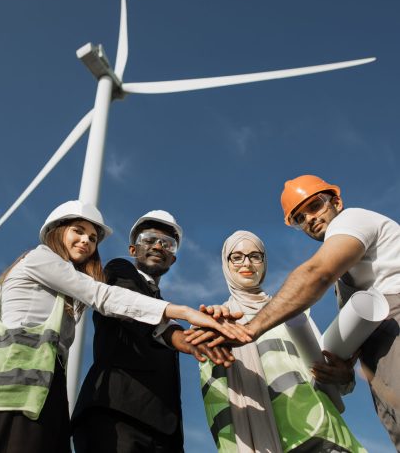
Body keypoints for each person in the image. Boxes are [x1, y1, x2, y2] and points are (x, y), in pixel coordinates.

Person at [0, 200, 249, 453]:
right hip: (7, 394)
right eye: (78, 231)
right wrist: (184, 313)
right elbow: (106, 296)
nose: (86, 240)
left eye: (93, 237)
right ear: (57, 230)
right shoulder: (39, 259)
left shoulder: (68, 292)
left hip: (45, 396)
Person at [191, 174, 400, 449]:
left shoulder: (352, 220)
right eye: (300, 217)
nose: (310, 219)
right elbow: (338, 360)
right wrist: (344, 372)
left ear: (336, 200)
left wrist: (250, 329)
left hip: (321, 427)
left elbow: (317, 273)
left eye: (315, 206)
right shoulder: (219, 316)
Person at [72, 210, 236, 453]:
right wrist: (182, 338)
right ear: (132, 250)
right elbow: (133, 310)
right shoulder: (118, 272)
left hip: (163, 431)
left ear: (173, 259)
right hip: (116, 417)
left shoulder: (165, 307)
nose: (158, 246)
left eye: (167, 244)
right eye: (149, 240)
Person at [199, 230, 365, 452]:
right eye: (237, 257)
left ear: (264, 262)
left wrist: (344, 376)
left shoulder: (294, 313)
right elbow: (217, 390)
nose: (246, 263)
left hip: (323, 429)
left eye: (255, 256)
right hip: (270, 437)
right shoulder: (218, 319)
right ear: (226, 263)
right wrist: (210, 327)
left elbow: (329, 373)